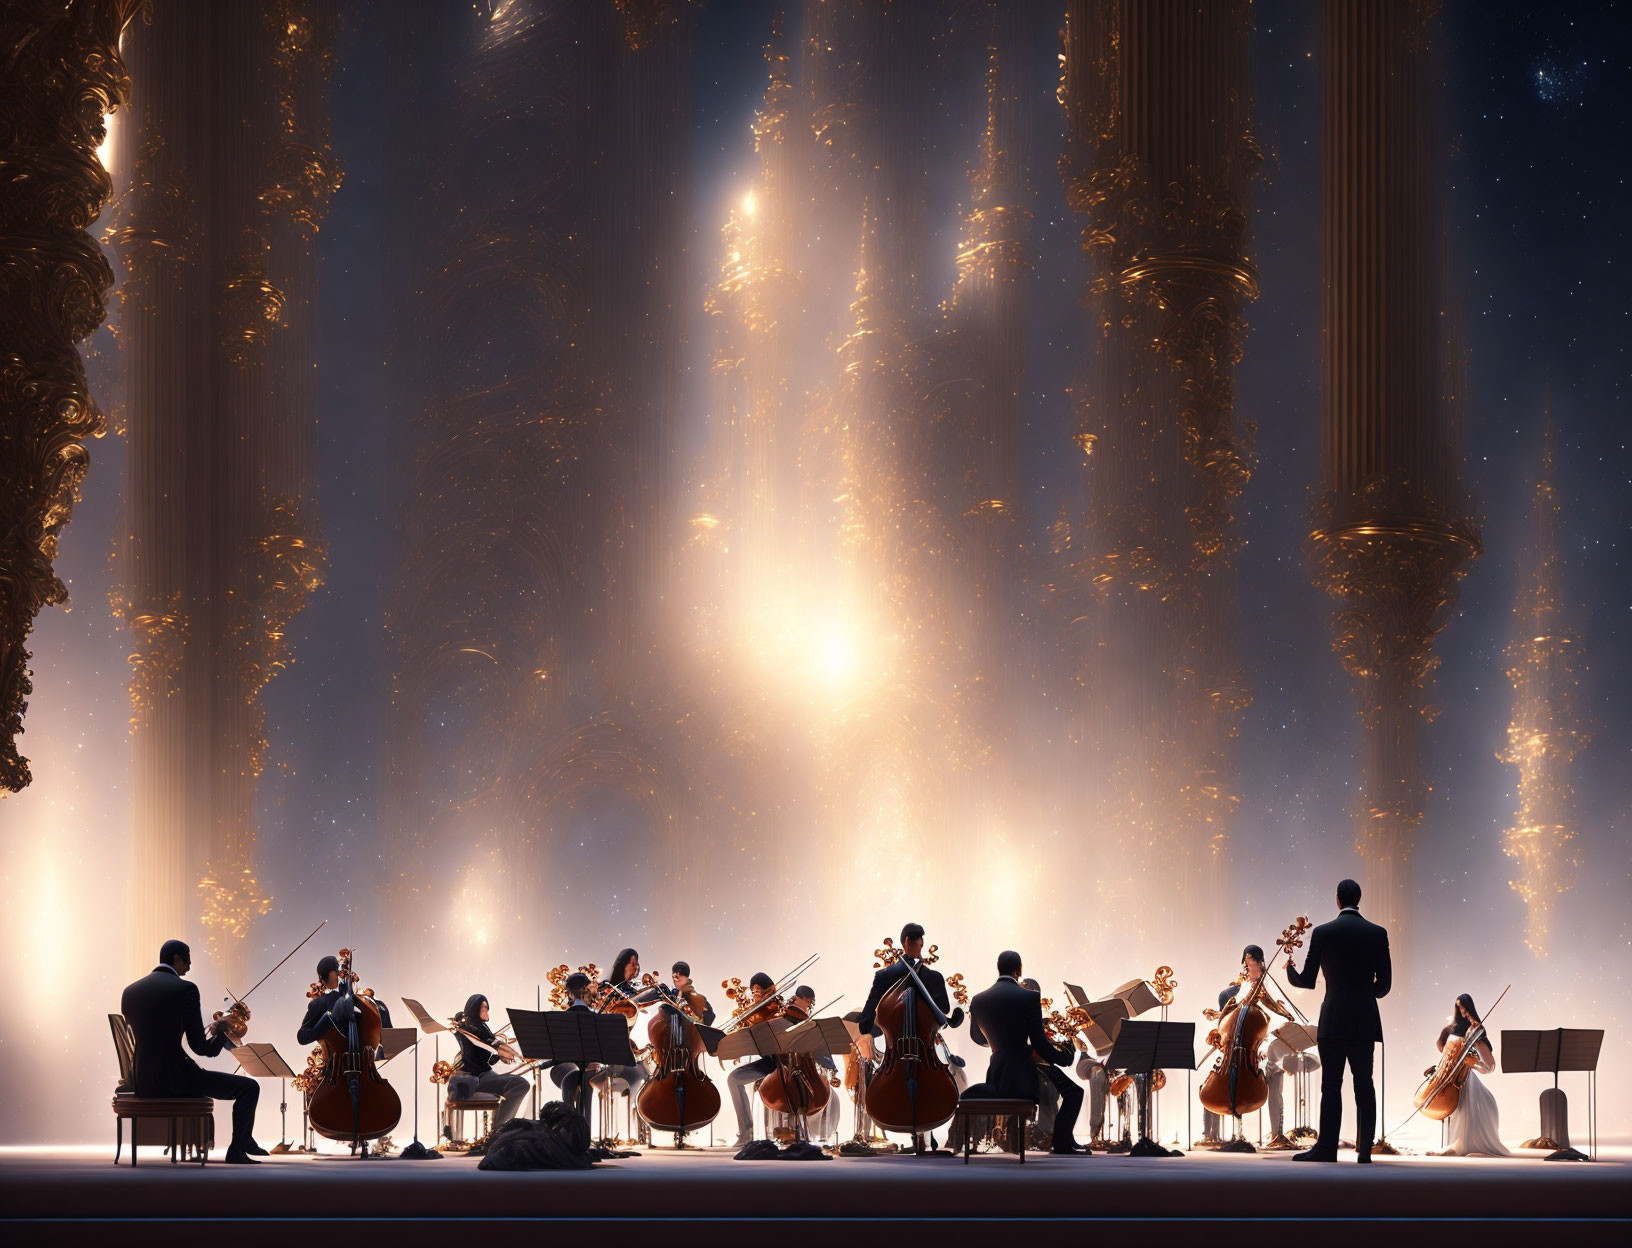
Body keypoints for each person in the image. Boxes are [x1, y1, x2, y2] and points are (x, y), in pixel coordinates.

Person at [120, 939, 264, 1163]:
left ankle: (244, 1143)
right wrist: (222, 1029)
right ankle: (238, 1148)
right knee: (249, 1087)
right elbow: (202, 1048)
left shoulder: (130, 992)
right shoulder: (186, 989)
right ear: (176, 959)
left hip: (143, 1081)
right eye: (187, 958)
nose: (190, 964)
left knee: (239, 1086)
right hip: (177, 1080)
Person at [1285, 878, 1391, 1163]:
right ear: (1360, 899)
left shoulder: (1323, 932)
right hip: (1364, 1021)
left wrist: (1290, 971)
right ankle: (1365, 1151)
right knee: (1364, 1083)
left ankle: (1327, 1148)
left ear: (1337, 900)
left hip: (1333, 1019)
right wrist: (1362, 993)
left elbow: (1307, 981)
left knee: (1331, 1085)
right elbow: (1384, 986)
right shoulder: (1377, 933)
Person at [967, 951, 1088, 1155]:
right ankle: (1062, 1143)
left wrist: (1000, 1041)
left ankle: (1062, 1140)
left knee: (1063, 1088)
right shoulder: (1029, 997)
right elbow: (1040, 1042)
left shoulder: (978, 999)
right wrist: (1061, 1059)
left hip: (996, 1074)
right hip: (1022, 1075)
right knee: (1074, 1092)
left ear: (999, 968)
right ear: (1019, 970)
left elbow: (978, 1038)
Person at [1428, 995, 1510, 1157]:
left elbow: (1490, 1067)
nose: (1462, 1011)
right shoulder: (1450, 1030)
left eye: (1465, 1007)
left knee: (1464, 1103)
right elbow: (1442, 1049)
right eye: (1459, 1007)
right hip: (1449, 1076)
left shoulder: (1475, 1032)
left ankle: (1459, 1144)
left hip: (1465, 1079)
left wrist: (1474, 1064)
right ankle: (1451, 1142)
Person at [855, 922, 966, 1037]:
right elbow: (865, 1026)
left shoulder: (884, 976)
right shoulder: (934, 978)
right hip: (905, 1047)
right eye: (918, 940)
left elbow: (865, 1025)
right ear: (907, 941)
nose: (920, 944)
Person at [448, 994, 531, 1130]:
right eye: (484, 1008)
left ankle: (501, 1126)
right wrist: (516, 1055)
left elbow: (487, 1053)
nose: (487, 1011)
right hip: (475, 1077)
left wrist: (501, 1056)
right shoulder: (469, 1029)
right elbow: (494, 1046)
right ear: (474, 1009)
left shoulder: (481, 1027)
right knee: (520, 1084)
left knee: (520, 1083)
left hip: (485, 1074)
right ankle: (499, 1129)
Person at [297, 954, 394, 1054]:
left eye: (338, 970)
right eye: (335, 971)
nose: (338, 973)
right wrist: (326, 1020)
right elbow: (302, 1037)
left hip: (364, 1059)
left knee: (378, 1005)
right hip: (337, 1063)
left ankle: (387, 1042)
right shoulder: (318, 1003)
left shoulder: (347, 993)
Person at [725, 971, 779, 1148]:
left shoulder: (774, 1007)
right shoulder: (756, 1011)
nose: (756, 993)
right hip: (768, 1062)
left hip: (780, 1062)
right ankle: (746, 1131)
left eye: (759, 990)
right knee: (733, 1079)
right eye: (753, 989)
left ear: (767, 991)